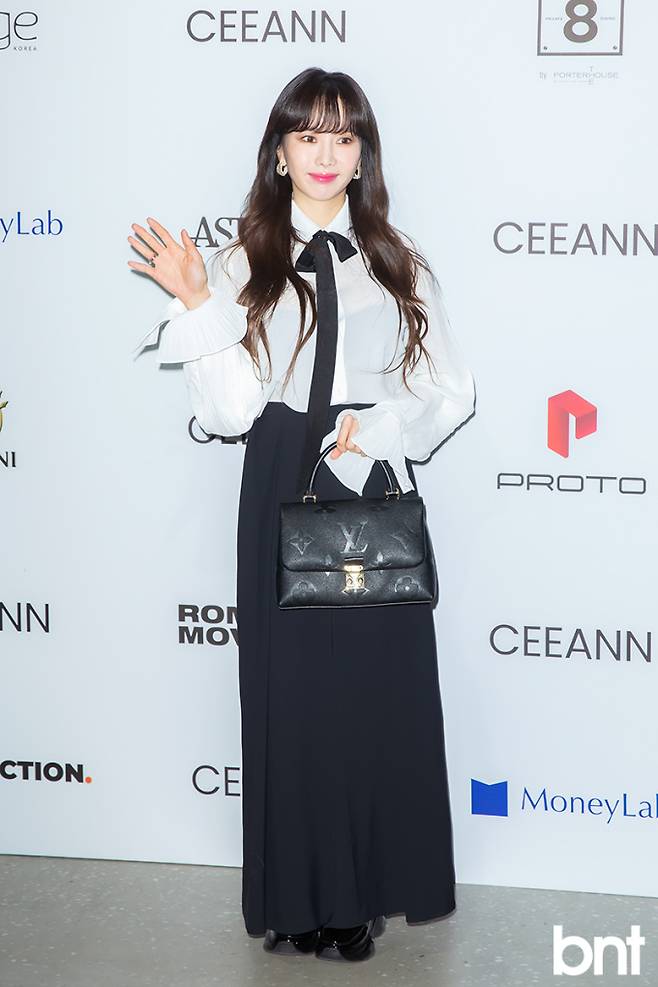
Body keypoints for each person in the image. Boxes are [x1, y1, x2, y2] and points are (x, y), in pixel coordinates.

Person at [128, 67, 476, 963]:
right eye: (308, 135)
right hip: (281, 469)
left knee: (372, 699)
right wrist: (197, 300)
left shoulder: (397, 260)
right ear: (279, 153)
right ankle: (297, 898)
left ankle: (358, 897)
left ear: (363, 155)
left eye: (344, 136)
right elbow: (230, 413)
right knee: (291, 702)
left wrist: (384, 427)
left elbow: (452, 390)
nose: (326, 154)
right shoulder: (239, 262)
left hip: (369, 477)